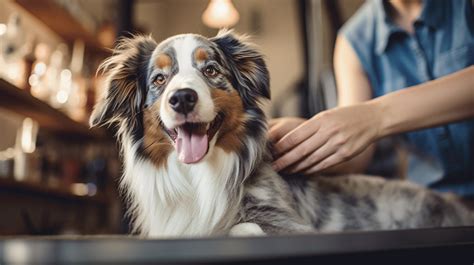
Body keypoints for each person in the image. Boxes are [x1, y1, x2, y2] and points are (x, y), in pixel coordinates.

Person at [270, 0, 474, 197]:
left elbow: (366, 120)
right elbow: (357, 157)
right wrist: (310, 136)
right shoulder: (353, 41)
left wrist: (376, 116)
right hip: (436, 203)